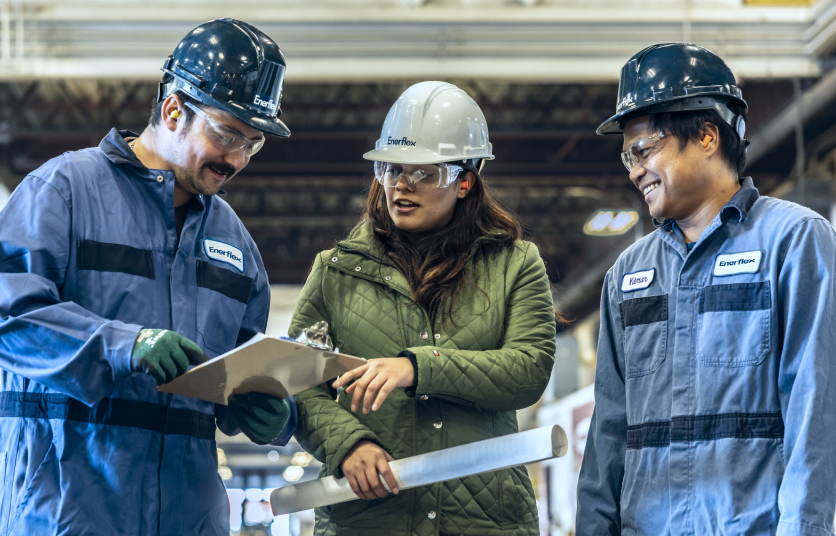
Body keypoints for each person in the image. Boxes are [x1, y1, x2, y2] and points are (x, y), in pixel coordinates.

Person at [0, 19, 297, 536]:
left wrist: (270, 410)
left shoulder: (237, 245)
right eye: (227, 134)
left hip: (190, 518)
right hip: (67, 512)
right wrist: (124, 343)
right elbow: (10, 317)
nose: (236, 159)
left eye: (252, 144)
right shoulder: (64, 191)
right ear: (173, 109)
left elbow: (241, 368)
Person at [576, 43, 836, 536]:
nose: (633, 170)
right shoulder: (627, 274)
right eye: (626, 157)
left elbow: (816, 407)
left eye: (644, 150)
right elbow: (609, 431)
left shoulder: (794, 241)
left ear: (707, 136)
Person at [289, 81, 557, 536]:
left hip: (484, 521)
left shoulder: (516, 264)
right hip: (369, 520)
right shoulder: (334, 272)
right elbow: (297, 382)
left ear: (465, 180)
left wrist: (419, 368)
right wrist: (349, 445)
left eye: (424, 173)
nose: (401, 185)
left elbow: (528, 371)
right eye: (391, 169)